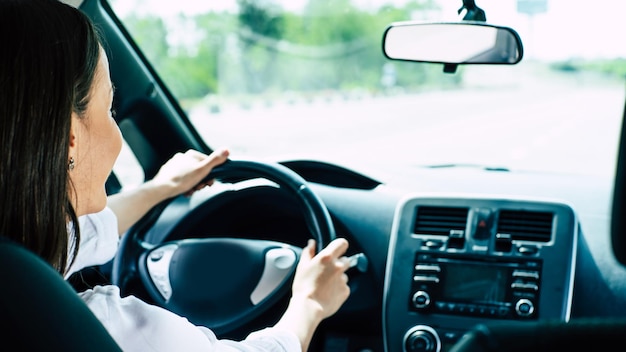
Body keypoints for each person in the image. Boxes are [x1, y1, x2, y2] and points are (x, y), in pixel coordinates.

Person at [0, 0, 352, 351]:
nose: (117, 133)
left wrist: (161, 188)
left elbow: (77, 236)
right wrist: (310, 302)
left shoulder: (17, 267)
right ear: (70, 141)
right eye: (109, 109)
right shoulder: (110, 329)